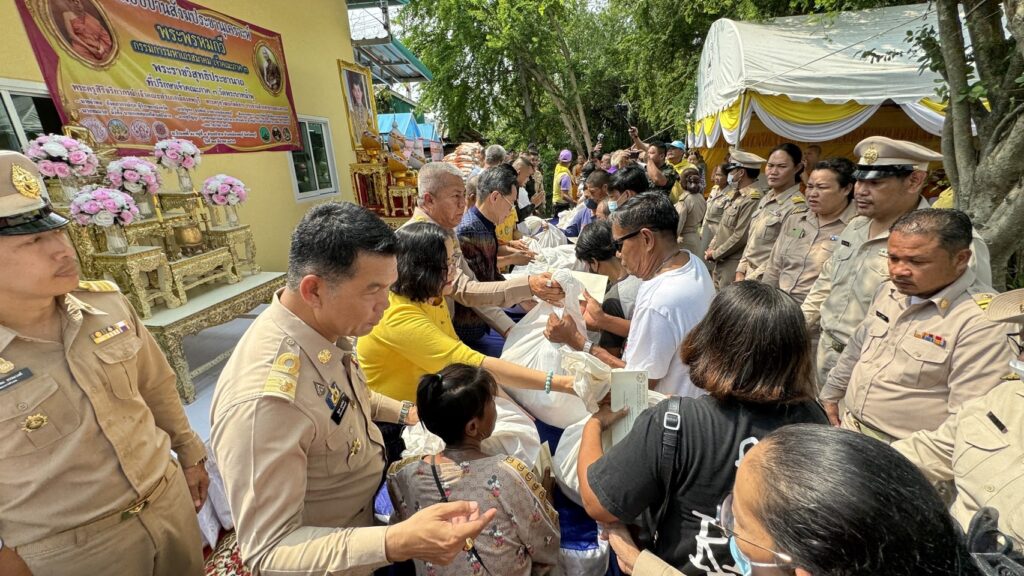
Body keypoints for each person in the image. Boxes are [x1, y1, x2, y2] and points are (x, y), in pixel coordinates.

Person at [211, 203, 496, 575]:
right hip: (338, 557)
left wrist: (409, 413)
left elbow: (347, 397)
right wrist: (395, 542)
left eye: (389, 287)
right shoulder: (267, 402)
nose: (385, 304)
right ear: (314, 290)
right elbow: (269, 552)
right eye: (373, 290)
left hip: (366, 519)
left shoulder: (322, 329)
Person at [0, 150, 208, 574]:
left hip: (166, 503)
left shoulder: (107, 305)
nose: (62, 250)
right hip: (73, 550)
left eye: (56, 231)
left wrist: (189, 454)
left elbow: (156, 385)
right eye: (33, 241)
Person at [578, 282, 829, 574]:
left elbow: (597, 503)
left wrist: (594, 425)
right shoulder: (814, 421)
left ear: (714, 341)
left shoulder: (674, 423)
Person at [802, 136, 992, 387]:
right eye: (859, 180)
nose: (860, 191)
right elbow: (827, 282)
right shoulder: (857, 226)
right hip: (826, 353)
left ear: (914, 181)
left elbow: (969, 318)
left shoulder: (950, 241)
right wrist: (797, 326)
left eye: (875, 182)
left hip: (887, 369)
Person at [820, 209, 1012, 442]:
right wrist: (831, 393)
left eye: (917, 261)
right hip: (850, 429)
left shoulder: (984, 322)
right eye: (893, 258)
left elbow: (967, 423)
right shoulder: (890, 290)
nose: (898, 271)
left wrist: (895, 457)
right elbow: (858, 346)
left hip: (906, 451)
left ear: (961, 259)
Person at [358, 221, 577, 402]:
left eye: (454, 260)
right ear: (421, 268)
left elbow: (462, 356)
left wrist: (512, 405)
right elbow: (470, 362)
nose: (455, 270)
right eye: (447, 263)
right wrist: (564, 384)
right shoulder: (398, 316)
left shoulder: (433, 296)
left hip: (430, 395)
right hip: (400, 419)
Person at [387, 365, 561, 576]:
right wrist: (547, 497)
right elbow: (546, 543)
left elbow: (402, 536)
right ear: (472, 427)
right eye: (492, 403)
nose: (496, 408)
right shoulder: (507, 474)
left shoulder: (402, 474)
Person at [893, 287, 1024, 548]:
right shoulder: (1004, 398)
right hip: (949, 551)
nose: (1020, 358)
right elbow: (929, 450)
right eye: (1022, 343)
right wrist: (847, 465)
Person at [547, 193, 715, 396]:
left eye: (619, 245)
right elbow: (664, 332)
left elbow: (638, 386)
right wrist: (604, 320)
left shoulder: (659, 300)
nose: (618, 254)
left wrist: (577, 341)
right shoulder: (692, 262)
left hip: (665, 410)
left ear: (647, 239)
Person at [407, 162, 562, 344]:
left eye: (463, 195)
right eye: (456, 196)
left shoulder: (446, 232)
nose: (463, 203)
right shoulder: (418, 240)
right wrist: (529, 286)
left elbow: (473, 284)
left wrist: (512, 331)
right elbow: (465, 290)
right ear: (429, 200)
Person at [761, 158, 858, 305]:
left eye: (821, 187)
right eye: (810, 186)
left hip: (818, 313)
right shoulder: (796, 218)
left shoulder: (858, 228)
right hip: (780, 306)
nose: (812, 193)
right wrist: (765, 302)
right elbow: (774, 266)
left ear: (846, 189)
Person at [453, 165, 524, 350]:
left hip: (484, 319)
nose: (511, 210)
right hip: (470, 328)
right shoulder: (469, 230)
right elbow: (479, 289)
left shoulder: (484, 225)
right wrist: (524, 292)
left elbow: (490, 272)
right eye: (511, 203)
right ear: (495, 197)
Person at [736, 143, 808, 282]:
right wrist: (740, 269)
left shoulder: (798, 208)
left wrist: (749, 281)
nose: (773, 172)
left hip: (766, 280)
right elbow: (752, 240)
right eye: (770, 165)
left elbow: (784, 254)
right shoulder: (766, 198)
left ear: (797, 168)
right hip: (746, 274)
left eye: (782, 166)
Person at [573, 221, 642, 358]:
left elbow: (609, 357)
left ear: (594, 262)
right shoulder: (645, 273)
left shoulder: (613, 300)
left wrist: (574, 338)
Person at [705, 150, 764, 288]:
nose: (730, 175)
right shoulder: (736, 193)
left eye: (732, 171)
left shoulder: (753, 198)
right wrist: (712, 247)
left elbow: (740, 236)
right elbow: (724, 226)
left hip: (733, 262)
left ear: (741, 173)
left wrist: (715, 253)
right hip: (721, 258)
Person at [563, 169, 609, 237]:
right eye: (586, 196)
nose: (591, 197)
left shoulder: (613, 213)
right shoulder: (584, 212)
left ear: (605, 188)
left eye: (593, 192)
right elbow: (570, 232)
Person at [674, 167, 707, 263]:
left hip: (684, 240)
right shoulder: (700, 197)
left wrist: (674, 238)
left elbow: (680, 223)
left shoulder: (684, 201)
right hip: (696, 237)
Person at [700, 162, 730, 254]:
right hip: (706, 229)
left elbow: (726, 220)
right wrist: (702, 229)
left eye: (720, 175)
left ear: (728, 177)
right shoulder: (714, 189)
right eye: (716, 174)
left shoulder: (731, 194)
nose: (716, 177)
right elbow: (707, 213)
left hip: (717, 232)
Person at [551, 149, 576, 215]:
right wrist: (575, 202)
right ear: (570, 161)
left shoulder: (558, 168)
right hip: (561, 206)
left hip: (555, 203)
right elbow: (564, 196)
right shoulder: (565, 176)